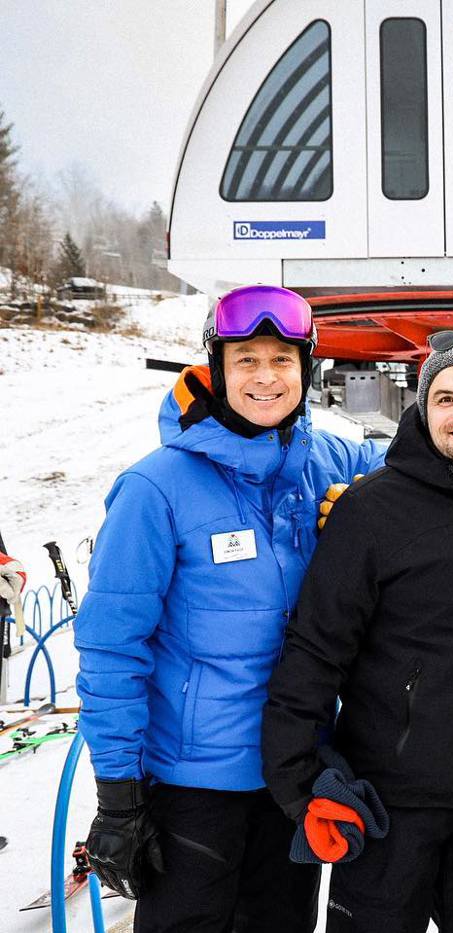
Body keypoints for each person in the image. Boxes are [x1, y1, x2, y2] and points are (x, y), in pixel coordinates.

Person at [74, 285, 383, 932]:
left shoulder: (332, 463)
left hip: (292, 780)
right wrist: (119, 801)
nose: (266, 377)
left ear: (308, 369)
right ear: (217, 369)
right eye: (246, 360)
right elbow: (111, 649)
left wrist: (369, 502)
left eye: (282, 359)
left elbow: (427, 466)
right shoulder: (154, 489)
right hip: (194, 794)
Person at [260, 329, 453, 933]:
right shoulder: (370, 510)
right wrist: (300, 783)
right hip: (387, 802)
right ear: (422, 409)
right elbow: (316, 650)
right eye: (444, 398)